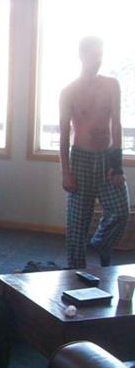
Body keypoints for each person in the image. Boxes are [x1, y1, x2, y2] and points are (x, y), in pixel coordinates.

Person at [59, 36, 130, 269]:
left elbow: (116, 124)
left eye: (101, 55)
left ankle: (100, 244)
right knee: (77, 224)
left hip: (108, 157)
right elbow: (64, 134)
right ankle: (74, 272)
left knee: (120, 211)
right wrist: (66, 173)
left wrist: (117, 165)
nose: (98, 60)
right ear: (82, 55)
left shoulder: (111, 85)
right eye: (93, 55)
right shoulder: (69, 91)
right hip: (81, 159)